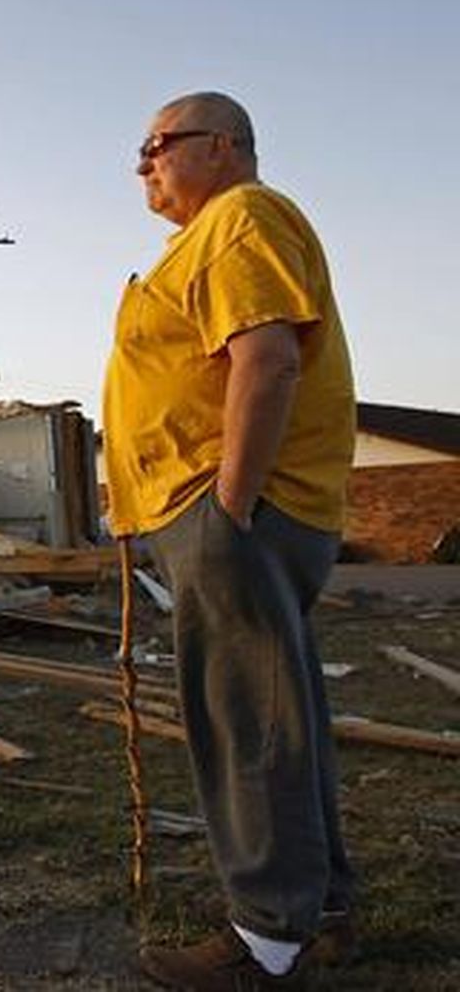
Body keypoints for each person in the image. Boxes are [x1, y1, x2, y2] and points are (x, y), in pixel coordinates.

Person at [102, 92, 358, 990]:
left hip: (234, 512)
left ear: (221, 145)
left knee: (246, 721)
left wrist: (232, 500)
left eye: (157, 144)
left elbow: (268, 358)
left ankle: (269, 942)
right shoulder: (206, 238)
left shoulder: (239, 217)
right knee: (281, 715)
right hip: (228, 514)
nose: (142, 162)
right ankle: (318, 911)